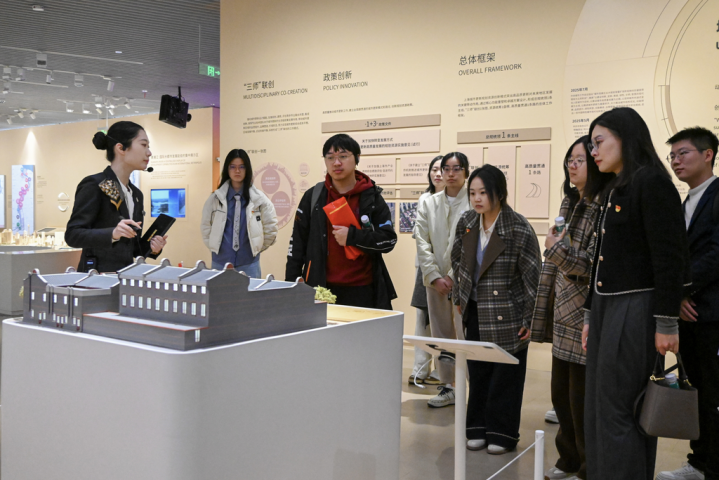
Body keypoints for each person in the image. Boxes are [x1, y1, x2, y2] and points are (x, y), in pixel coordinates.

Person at [582, 107, 690, 480]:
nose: (593, 152)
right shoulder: (617, 187)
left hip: (635, 308)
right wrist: (588, 314)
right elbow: (601, 261)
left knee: (620, 409)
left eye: (599, 142)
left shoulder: (651, 183)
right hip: (607, 308)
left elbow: (670, 258)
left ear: (625, 137)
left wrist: (667, 322)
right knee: (600, 407)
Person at [531, 136, 613, 480]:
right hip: (560, 308)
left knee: (581, 400)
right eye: (570, 160)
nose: (573, 165)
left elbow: (591, 266)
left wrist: (554, 250)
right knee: (560, 397)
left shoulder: (602, 206)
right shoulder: (569, 202)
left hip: (583, 313)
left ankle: (586, 468)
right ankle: (568, 459)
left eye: (580, 160)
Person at [452, 164, 541, 454]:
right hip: (475, 309)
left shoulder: (517, 226)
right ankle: (477, 428)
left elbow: (532, 276)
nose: (477, 199)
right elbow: (457, 259)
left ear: (499, 194)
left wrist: (529, 318)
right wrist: (459, 294)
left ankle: (502, 434)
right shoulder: (467, 221)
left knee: (505, 377)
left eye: (483, 193)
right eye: (472, 193)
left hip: (508, 313)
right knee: (477, 372)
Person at [657, 127, 719, 480]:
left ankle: (709, 466)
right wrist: (677, 296)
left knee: (712, 392)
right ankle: (700, 462)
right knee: (696, 391)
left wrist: (682, 289)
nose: (676, 161)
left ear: (708, 154)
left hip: (711, 313)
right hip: (690, 312)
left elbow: (715, 255)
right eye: (673, 156)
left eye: (683, 153)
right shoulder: (687, 201)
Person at [284, 133, 397, 309]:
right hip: (321, 289)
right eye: (330, 158)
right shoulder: (313, 197)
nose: (336, 163)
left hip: (364, 289)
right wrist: (291, 286)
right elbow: (297, 245)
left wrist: (352, 236)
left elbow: (388, 240)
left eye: (343, 156)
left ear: (357, 158)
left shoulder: (371, 197)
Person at [66, 121, 167, 272]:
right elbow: (72, 235)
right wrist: (112, 233)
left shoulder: (136, 194)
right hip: (96, 277)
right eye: (143, 145)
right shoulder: (95, 184)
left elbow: (133, 249)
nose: (149, 153)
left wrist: (152, 248)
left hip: (125, 277)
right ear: (121, 148)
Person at [415, 152, 471, 407]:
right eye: (446, 168)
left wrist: (452, 275)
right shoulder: (429, 202)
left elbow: (470, 244)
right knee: (441, 334)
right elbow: (422, 242)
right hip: (434, 282)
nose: (450, 173)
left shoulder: (473, 200)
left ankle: (472, 388)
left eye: (456, 168)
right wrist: (435, 276)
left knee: (466, 334)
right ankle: (448, 386)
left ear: (466, 172)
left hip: (464, 281)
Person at [200, 149, 278, 277]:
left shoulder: (259, 199)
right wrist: (214, 247)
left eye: (242, 167)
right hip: (220, 262)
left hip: (249, 263)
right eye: (233, 167)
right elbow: (205, 227)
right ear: (227, 169)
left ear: (247, 169)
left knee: (250, 291)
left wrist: (256, 248)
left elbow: (271, 228)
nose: (237, 171)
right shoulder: (215, 199)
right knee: (220, 291)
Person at [409, 156, 444, 386]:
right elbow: (419, 234)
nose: (438, 174)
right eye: (434, 169)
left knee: (444, 322)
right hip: (425, 266)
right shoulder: (424, 198)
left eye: (442, 169)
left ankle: (443, 371)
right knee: (422, 319)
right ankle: (420, 368)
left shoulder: (459, 199)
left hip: (447, 268)